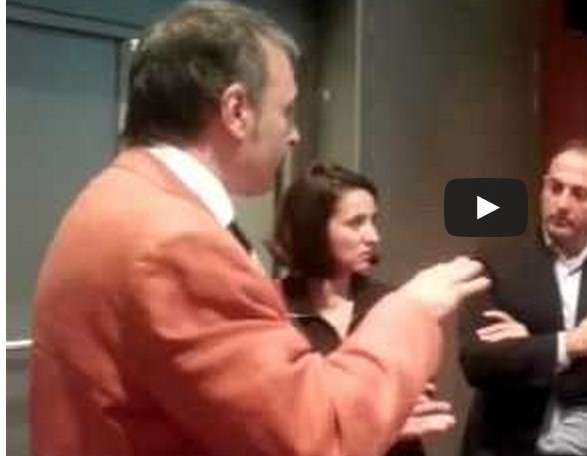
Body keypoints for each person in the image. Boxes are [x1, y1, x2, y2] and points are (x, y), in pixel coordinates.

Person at [28, 2, 488, 455]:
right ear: (236, 110)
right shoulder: (175, 242)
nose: (294, 134)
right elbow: (314, 436)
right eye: (286, 111)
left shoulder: (115, 198)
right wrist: (412, 309)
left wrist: (370, 421)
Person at [459, 140, 587, 456]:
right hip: (508, 447)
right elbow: (479, 361)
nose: (562, 203)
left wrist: (532, 350)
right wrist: (571, 344)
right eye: (555, 188)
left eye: (579, 194)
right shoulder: (495, 261)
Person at [270, 162, 453, 456]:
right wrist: (372, 421)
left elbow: (414, 395)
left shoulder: (392, 303)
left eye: (373, 221)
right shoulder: (270, 307)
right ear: (312, 230)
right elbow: (275, 413)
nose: (373, 236)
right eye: (356, 223)